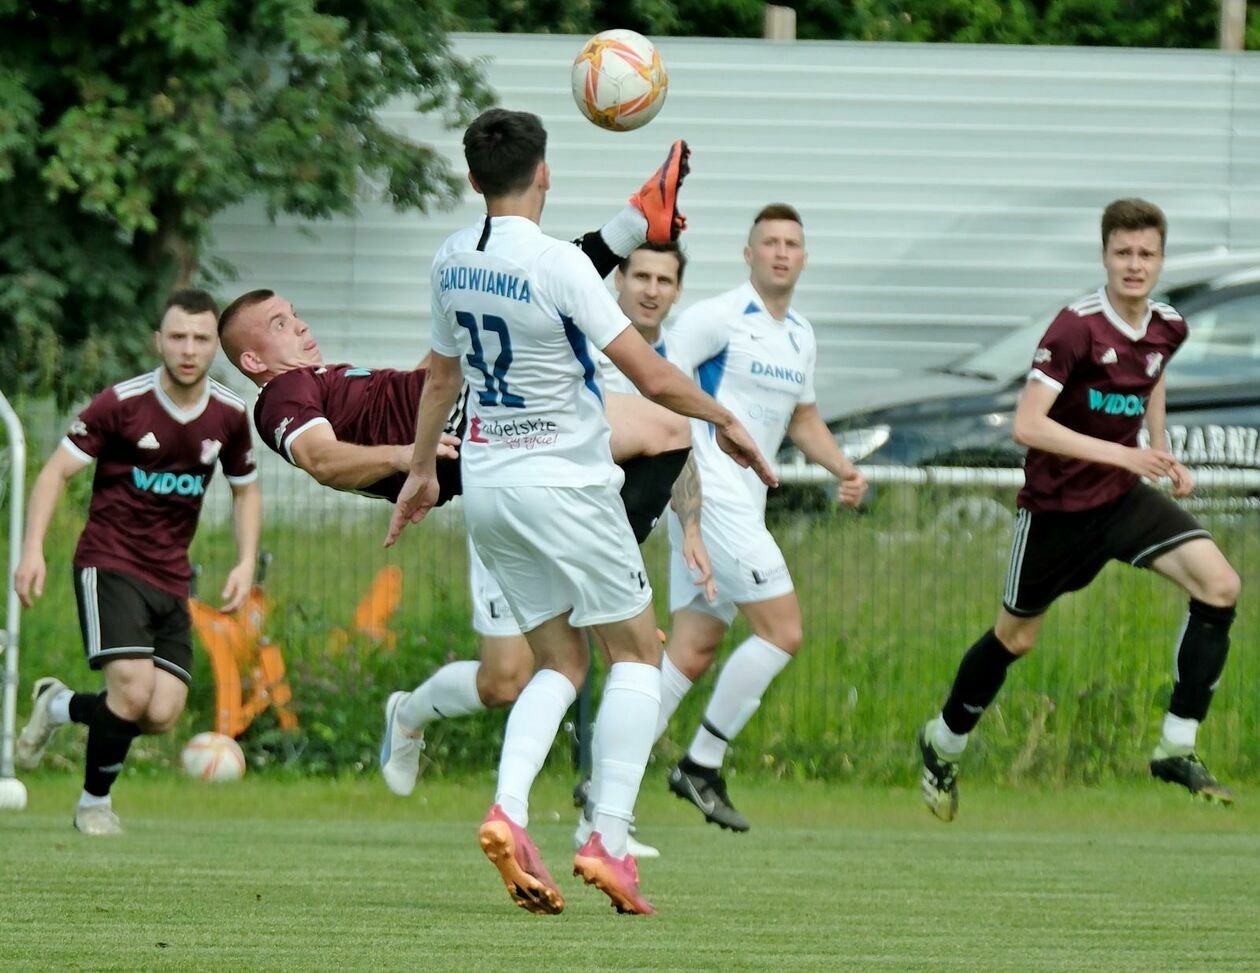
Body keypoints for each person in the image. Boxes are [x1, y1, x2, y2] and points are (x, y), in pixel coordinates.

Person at [215, 147, 701, 840]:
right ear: (255, 360)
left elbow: (419, 381)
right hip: (487, 444)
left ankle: (419, 716)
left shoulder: (325, 376)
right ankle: (462, 720)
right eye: (283, 326)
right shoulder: (281, 395)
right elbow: (323, 459)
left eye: (296, 315)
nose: (302, 327)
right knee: (660, 426)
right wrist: (411, 457)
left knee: (512, 673)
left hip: (482, 422)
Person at [385, 108, 775, 916]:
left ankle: (510, 813)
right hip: (566, 479)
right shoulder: (561, 265)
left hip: (489, 488)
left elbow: (439, 379)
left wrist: (423, 469)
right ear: (546, 173)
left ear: (471, 180)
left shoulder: (451, 258)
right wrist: (725, 420)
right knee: (635, 653)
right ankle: (608, 837)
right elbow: (654, 377)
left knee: (558, 662)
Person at [918, 198, 1241, 822]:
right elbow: (1027, 424)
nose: (1134, 264)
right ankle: (943, 741)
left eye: (1146, 253)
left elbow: (1153, 378)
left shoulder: (1169, 325)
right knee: (1017, 637)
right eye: (1123, 252)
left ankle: (1177, 744)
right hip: (1055, 512)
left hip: (1121, 502)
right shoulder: (1075, 327)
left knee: (1221, 584)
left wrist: (1161, 452)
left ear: (1161, 259)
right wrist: (1125, 458)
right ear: (1105, 256)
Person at [651, 204, 868, 832]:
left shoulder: (800, 332)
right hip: (709, 497)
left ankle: (605, 777)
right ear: (748, 255)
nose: (780, 252)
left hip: (745, 502)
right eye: (768, 242)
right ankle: (702, 763)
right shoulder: (715, 318)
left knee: (692, 648)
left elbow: (803, 419)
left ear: (803, 258)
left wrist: (844, 469)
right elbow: (658, 380)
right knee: (783, 630)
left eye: (791, 243)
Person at [13, 289, 262, 835]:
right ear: (159, 341)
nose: (188, 349)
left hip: (172, 575)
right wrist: (32, 549)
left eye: (201, 338)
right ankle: (92, 806)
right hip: (110, 560)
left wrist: (245, 561)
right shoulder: (121, 404)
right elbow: (54, 472)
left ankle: (59, 706)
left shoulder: (230, 414)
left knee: (161, 711)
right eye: (178, 337)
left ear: (215, 346)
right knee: (130, 688)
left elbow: (246, 491)